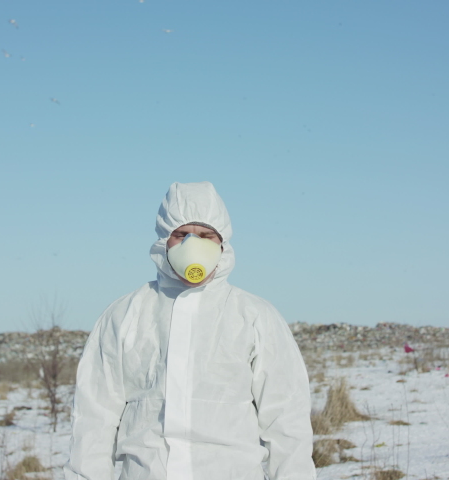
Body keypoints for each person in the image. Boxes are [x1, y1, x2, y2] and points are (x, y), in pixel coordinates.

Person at [65, 182, 315, 480]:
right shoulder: (125, 314)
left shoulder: (254, 316)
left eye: (207, 235)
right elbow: (94, 419)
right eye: (182, 235)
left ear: (223, 243)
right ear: (163, 241)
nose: (193, 246)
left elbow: (286, 418)